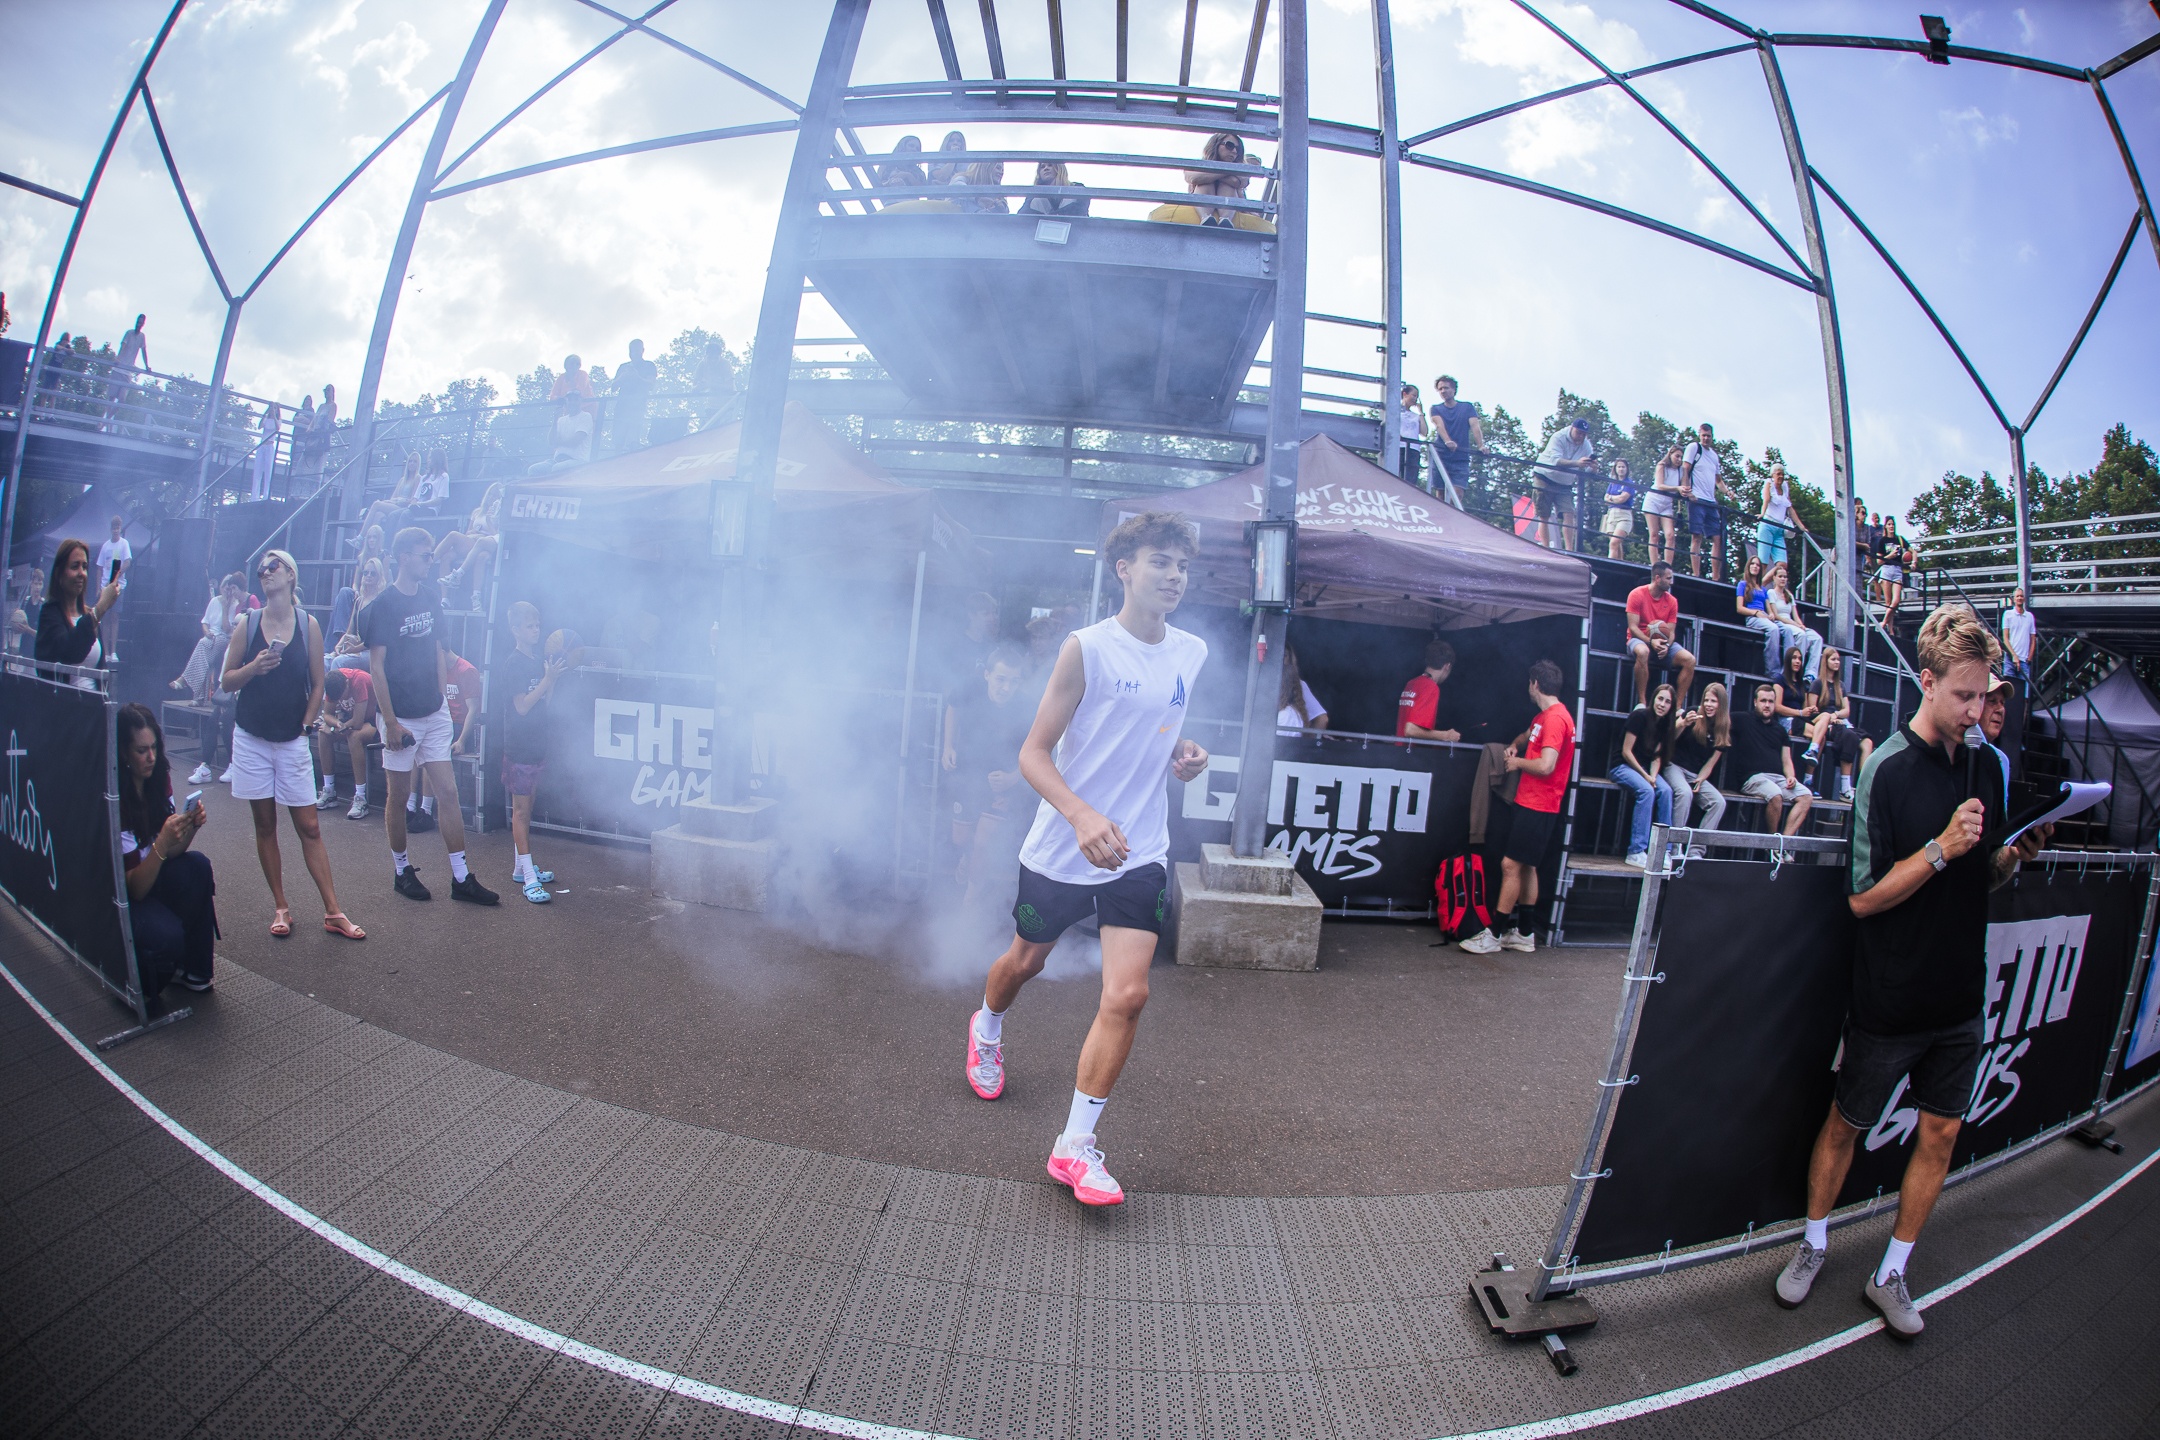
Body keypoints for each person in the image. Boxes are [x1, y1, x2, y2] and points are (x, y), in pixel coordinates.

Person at [1774, 605, 2049, 1338]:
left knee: (1941, 1135)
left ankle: (1891, 1271)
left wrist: (2009, 858)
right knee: (1846, 1126)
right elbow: (1863, 898)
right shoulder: (1886, 768)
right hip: (1890, 997)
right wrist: (1940, 849)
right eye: (1963, 695)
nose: (1976, 711)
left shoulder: (1987, 766)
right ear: (1926, 682)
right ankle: (1814, 1242)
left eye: (1984, 695)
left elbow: (1979, 877)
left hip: (1960, 997)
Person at [963, 511, 1211, 1209]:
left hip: (1140, 849)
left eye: (1182, 566)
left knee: (1128, 995)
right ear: (1124, 569)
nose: (1174, 576)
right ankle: (987, 1027)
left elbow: (1154, 725)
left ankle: (1074, 1145)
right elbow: (1033, 753)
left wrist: (1183, 751)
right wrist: (1080, 816)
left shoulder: (1191, 651)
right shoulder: (1087, 649)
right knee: (1025, 963)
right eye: (1160, 561)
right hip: (1063, 846)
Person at [222, 550, 363, 941]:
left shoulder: (308, 625)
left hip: (291, 739)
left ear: (290, 575)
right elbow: (227, 681)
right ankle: (281, 906)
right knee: (265, 824)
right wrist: (254, 668)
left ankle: (333, 911)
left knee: (310, 826)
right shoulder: (248, 623)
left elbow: (318, 683)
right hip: (251, 737)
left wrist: (306, 725)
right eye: (261, 569)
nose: (265, 572)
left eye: (273, 566)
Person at [358, 526, 499, 905]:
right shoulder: (383, 605)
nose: (431, 561)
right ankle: (401, 871)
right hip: (400, 717)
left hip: (433, 712)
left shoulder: (432, 598)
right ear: (404, 557)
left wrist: (441, 701)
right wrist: (390, 722)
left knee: (448, 792)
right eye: (425, 555)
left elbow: (439, 652)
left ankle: (461, 878)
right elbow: (377, 667)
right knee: (399, 796)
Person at [116, 704, 217, 998]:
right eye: (141, 750)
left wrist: (190, 827)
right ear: (124, 753)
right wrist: (161, 842)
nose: (151, 757)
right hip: (128, 895)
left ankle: (194, 969)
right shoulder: (116, 799)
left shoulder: (158, 778)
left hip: (153, 873)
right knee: (166, 936)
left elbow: (172, 853)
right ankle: (148, 975)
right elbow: (135, 889)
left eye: (154, 747)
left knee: (197, 865)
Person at [942, 642, 1035, 913]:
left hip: (1002, 787)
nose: (1006, 687)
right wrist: (948, 746)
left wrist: (1013, 778)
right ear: (987, 674)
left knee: (982, 843)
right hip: (968, 777)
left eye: (1014, 681)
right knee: (962, 839)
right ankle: (967, 857)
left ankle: (970, 901)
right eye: (1001, 679)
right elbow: (952, 707)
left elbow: (1041, 750)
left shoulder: (1026, 708)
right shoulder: (970, 690)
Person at [501, 601, 569, 903]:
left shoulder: (538, 660)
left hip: (537, 744)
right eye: (529, 626)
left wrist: (550, 680)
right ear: (515, 630)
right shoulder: (513, 663)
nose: (536, 630)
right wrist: (547, 680)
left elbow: (545, 702)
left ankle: (521, 868)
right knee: (520, 811)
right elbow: (522, 706)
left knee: (528, 809)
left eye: (537, 625)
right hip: (519, 747)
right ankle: (529, 878)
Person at [1729, 681, 1812, 835]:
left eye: (1771, 701)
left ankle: (1784, 841)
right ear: (1755, 702)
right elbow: (1719, 718)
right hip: (1752, 779)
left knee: (1806, 796)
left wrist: (1791, 776)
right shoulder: (1742, 719)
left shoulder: (1780, 730)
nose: (1767, 705)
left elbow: (1787, 760)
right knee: (1775, 794)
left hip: (1777, 779)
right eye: (1763, 701)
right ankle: (1772, 842)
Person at [1611, 682, 1676, 868]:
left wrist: (1653, 776)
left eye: (1667, 702)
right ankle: (1636, 851)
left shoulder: (1665, 724)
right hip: (1623, 766)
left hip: (1647, 769)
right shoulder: (1639, 716)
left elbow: (1656, 756)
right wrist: (1646, 777)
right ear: (1654, 698)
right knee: (1647, 791)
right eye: (1660, 699)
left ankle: (1664, 851)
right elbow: (1626, 752)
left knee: (1666, 791)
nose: (1662, 704)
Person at [36, 538, 119, 683]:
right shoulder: (50, 613)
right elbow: (70, 652)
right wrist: (100, 608)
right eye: (75, 567)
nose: (82, 573)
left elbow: (101, 671)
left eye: (84, 567)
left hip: (94, 697)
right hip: (66, 697)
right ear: (59, 574)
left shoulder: (88, 615)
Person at [1802, 647, 1873, 801]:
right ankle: (1845, 788)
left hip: (1840, 721)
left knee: (1867, 741)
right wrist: (1829, 718)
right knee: (1849, 737)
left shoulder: (1840, 685)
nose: (1837, 662)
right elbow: (1812, 711)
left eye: (1838, 660)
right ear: (1825, 661)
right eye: (1833, 659)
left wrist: (1836, 715)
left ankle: (1863, 786)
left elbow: (1846, 710)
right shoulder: (1817, 684)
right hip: (1823, 722)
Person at [1625, 561, 1695, 708]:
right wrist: (1651, 642)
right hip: (1638, 639)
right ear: (1657, 578)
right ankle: (1642, 702)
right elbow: (1633, 628)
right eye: (1668, 578)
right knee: (1643, 652)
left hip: (1662, 643)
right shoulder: (1636, 594)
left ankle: (1677, 707)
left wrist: (1666, 645)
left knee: (1690, 660)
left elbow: (1671, 631)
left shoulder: (1672, 601)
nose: (1671, 582)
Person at [314, 665, 377, 820]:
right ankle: (329, 791)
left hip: (374, 721)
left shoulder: (358, 680)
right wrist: (336, 724)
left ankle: (361, 798)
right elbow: (327, 714)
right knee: (323, 734)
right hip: (349, 721)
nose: (340, 700)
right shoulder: (333, 682)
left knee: (354, 736)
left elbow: (357, 722)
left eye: (342, 696)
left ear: (347, 684)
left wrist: (334, 729)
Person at [1666, 681, 1729, 836]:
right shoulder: (1693, 712)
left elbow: (1711, 763)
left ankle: (1697, 847)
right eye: (1706, 700)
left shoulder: (1723, 727)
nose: (1708, 705)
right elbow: (1669, 739)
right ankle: (1675, 844)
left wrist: (1701, 779)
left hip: (1695, 774)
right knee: (1685, 793)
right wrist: (1683, 723)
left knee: (1718, 802)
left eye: (1713, 701)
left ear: (1721, 704)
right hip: (1674, 765)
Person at [1683, 423, 1737, 581]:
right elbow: (1685, 469)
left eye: (1708, 436)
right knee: (1697, 536)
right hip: (1696, 497)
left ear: (1712, 437)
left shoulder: (1714, 456)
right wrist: (1687, 491)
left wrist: (1727, 492)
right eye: (1703, 435)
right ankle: (1696, 574)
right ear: (1699, 435)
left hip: (1710, 501)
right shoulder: (1694, 448)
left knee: (1717, 537)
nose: (1706, 438)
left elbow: (1718, 480)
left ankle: (1715, 577)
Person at [435, 484, 503, 610]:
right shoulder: (477, 512)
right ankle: (444, 599)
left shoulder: (499, 514)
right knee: (447, 556)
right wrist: (474, 532)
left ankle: (475, 598)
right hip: (471, 541)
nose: (491, 498)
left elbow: (497, 536)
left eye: (495, 496)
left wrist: (488, 521)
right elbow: (468, 532)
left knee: (477, 553)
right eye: (490, 494)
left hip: (484, 544)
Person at [1531, 418, 1594, 552]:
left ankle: (1569, 550)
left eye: (1584, 434)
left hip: (1565, 483)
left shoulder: (1586, 445)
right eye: (1579, 432)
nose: (1581, 436)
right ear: (1572, 428)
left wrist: (1593, 468)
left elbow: (1589, 470)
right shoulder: (1558, 437)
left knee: (1569, 513)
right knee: (1544, 515)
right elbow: (1556, 461)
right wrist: (1577, 463)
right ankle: (1546, 548)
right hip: (1545, 476)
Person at [1427, 375, 1486, 510]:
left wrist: (1481, 445)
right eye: (1440, 389)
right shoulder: (1436, 408)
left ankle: (1451, 518)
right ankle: (1441, 519)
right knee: (1441, 495)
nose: (1443, 391)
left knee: (1457, 494)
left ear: (1454, 390)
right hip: (1441, 456)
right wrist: (1448, 441)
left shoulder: (1467, 407)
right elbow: (1439, 425)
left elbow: (1475, 426)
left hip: (1460, 458)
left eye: (1446, 388)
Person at [1765, 560, 1823, 685]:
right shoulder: (1771, 592)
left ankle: (1810, 674)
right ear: (1774, 578)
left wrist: (1801, 625)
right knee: (1801, 635)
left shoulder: (1789, 595)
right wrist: (1796, 626)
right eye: (1780, 576)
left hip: (1792, 623)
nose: (1783, 579)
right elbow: (1776, 615)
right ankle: (1795, 671)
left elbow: (1795, 615)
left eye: (1785, 577)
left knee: (1817, 638)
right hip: (1782, 623)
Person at [1396, 639, 1460, 743]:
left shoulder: (1411, 683)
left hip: (1400, 749)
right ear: (1447, 666)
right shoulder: (1431, 687)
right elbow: (1410, 730)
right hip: (1412, 752)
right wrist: (1446, 735)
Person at [1733, 554, 1781, 679]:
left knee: (1785, 630)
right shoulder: (1742, 584)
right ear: (1748, 566)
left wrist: (1771, 614)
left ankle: (1786, 670)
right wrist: (1755, 612)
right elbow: (1739, 608)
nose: (1755, 566)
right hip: (1752, 617)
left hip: (1764, 617)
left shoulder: (1763, 589)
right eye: (1752, 564)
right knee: (1773, 629)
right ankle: (1773, 670)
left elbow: (1769, 609)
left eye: (1758, 565)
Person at [528, 391, 593, 476]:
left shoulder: (585, 416)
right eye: (570, 400)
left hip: (577, 460)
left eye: (576, 399)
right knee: (533, 469)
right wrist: (555, 420)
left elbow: (575, 442)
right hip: (557, 460)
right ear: (566, 402)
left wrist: (558, 442)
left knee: (557, 468)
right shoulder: (561, 420)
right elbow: (551, 442)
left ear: (581, 401)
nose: (572, 402)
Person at [102, 313, 149, 430]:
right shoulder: (129, 333)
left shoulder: (142, 337)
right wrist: (118, 358)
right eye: (138, 322)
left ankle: (106, 422)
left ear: (143, 324)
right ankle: (106, 424)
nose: (138, 324)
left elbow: (143, 351)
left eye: (141, 322)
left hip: (127, 372)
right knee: (111, 398)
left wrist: (147, 366)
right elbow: (123, 345)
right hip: (118, 370)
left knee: (122, 400)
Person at [95, 514, 131, 659]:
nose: (116, 530)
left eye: (118, 528)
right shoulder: (105, 546)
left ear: (120, 529)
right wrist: (98, 588)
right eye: (114, 528)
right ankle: (105, 652)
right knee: (105, 618)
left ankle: (113, 651)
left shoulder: (124, 544)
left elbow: (128, 562)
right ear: (110, 529)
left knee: (115, 617)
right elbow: (99, 567)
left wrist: (118, 575)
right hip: (105, 587)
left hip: (118, 587)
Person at [1645, 442, 1684, 570]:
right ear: (1670, 454)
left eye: (1681, 457)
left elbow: (1684, 486)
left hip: (1667, 504)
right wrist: (1677, 488)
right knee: (1654, 534)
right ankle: (1655, 565)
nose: (1679, 460)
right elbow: (1660, 485)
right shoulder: (1661, 466)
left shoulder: (1681, 471)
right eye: (1677, 456)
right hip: (1653, 501)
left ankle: (1667, 567)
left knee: (1670, 535)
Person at [612, 340, 657, 451]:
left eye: (637, 350)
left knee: (633, 440)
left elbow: (651, 385)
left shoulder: (649, 365)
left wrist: (637, 377)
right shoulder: (623, 367)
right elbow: (613, 388)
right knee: (618, 440)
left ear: (642, 351)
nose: (634, 353)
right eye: (632, 351)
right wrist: (622, 377)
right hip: (621, 407)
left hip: (638, 407)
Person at [1276, 647, 1328, 735]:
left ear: (1290, 660)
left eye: (1284, 655)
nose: (1279, 659)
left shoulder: (1297, 684)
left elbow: (1322, 719)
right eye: (1276, 655)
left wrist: (1307, 741)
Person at [1756, 464, 1796, 568]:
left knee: (1782, 565)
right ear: (1773, 475)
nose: (1781, 476)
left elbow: (1790, 507)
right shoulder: (1769, 484)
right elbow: (1766, 500)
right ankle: (1760, 579)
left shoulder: (1785, 487)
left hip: (1780, 529)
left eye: (1782, 474)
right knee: (1763, 562)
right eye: (1778, 474)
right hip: (1768, 525)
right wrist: (1762, 513)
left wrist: (1801, 527)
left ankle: (1767, 579)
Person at [692, 340, 737, 427]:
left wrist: (710, 385)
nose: (712, 361)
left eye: (715, 358)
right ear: (705, 356)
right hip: (711, 406)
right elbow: (694, 387)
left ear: (720, 357)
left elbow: (730, 387)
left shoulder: (725, 364)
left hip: (728, 405)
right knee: (709, 430)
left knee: (724, 430)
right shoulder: (702, 365)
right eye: (710, 358)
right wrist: (698, 387)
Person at [1021, 160, 1090, 217]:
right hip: (1045, 226)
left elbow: (1081, 208)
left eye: (1050, 165)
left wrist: (1055, 216)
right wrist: (1047, 218)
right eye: (1042, 167)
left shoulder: (1077, 186)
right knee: (1037, 200)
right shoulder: (1034, 193)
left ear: (1059, 168)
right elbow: (1023, 212)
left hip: (1071, 226)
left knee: (1071, 197)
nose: (1046, 168)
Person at [1600, 458, 1637, 561]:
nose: (1621, 469)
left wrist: (1611, 498)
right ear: (1615, 469)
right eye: (1619, 467)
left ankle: (1610, 564)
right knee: (1616, 543)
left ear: (1627, 469)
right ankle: (1620, 563)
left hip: (1624, 515)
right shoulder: (1612, 483)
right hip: (1611, 514)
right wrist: (1614, 499)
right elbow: (1605, 498)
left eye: (1623, 467)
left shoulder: (1629, 483)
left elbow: (1622, 499)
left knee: (1614, 542)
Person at [2000, 588, 2034, 689]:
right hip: (2010, 658)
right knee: (2008, 689)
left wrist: (2029, 658)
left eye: (2021, 596)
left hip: (2024, 660)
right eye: (2017, 596)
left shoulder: (2029, 616)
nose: (2019, 598)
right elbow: (2005, 638)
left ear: (2024, 598)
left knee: (2023, 692)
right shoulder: (2008, 614)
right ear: (2014, 599)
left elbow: (2033, 639)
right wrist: (2014, 656)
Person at [1395, 384, 1426, 490]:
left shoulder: (1415, 416)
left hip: (1413, 449)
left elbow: (1424, 432)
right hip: (1399, 447)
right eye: (1414, 395)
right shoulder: (1394, 411)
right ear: (1405, 394)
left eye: (1417, 396)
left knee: (1410, 481)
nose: (1415, 398)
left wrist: (1421, 413)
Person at [411, 448, 451, 518]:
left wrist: (421, 504)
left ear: (437, 459)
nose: (428, 460)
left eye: (430, 458)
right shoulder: (424, 478)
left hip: (431, 510)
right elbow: (415, 497)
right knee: (395, 514)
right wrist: (413, 503)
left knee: (405, 514)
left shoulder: (444, 476)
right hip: (417, 508)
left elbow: (439, 500)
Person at [252, 401, 281, 500]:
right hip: (262, 446)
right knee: (257, 471)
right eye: (271, 407)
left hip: (270, 446)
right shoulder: (266, 419)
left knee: (268, 471)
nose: (273, 409)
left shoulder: (278, 420)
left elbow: (277, 428)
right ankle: (254, 496)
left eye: (275, 408)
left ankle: (266, 495)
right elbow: (260, 426)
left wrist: (274, 416)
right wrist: (266, 413)